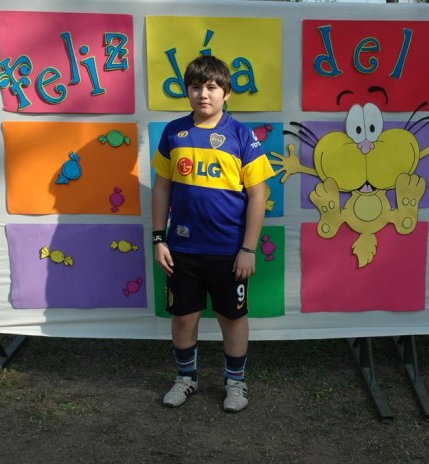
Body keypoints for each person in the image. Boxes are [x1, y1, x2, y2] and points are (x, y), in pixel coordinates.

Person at [151, 55, 274, 412]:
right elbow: (161, 188)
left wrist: (248, 249)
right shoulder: (173, 132)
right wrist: (159, 238)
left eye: (211, 87)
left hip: (229, 251)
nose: (203, 94)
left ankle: (235, 383)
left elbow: (258, 196)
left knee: (232, 318)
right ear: (187, 91)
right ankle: (185, 378)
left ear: (226, 93)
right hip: (182, 249)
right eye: (195, 87)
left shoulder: (241, 135)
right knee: (183, 317)